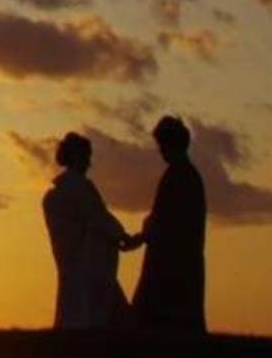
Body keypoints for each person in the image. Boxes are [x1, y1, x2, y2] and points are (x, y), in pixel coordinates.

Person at [41, 132, 134, 329]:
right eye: (86, 156)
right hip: (90, 264)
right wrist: (122, 236)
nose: (88, 162)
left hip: (72, 262)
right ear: (77, 156)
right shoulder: (79, 188)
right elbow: (98, 218)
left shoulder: (58, 193)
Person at [131, 115, 208, 332]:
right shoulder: (187, 175)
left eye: (161, 145)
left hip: (171, 261)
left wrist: (143, 236)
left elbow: (163, 219)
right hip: (183, 259)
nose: (160, 151)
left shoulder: (179, 176)